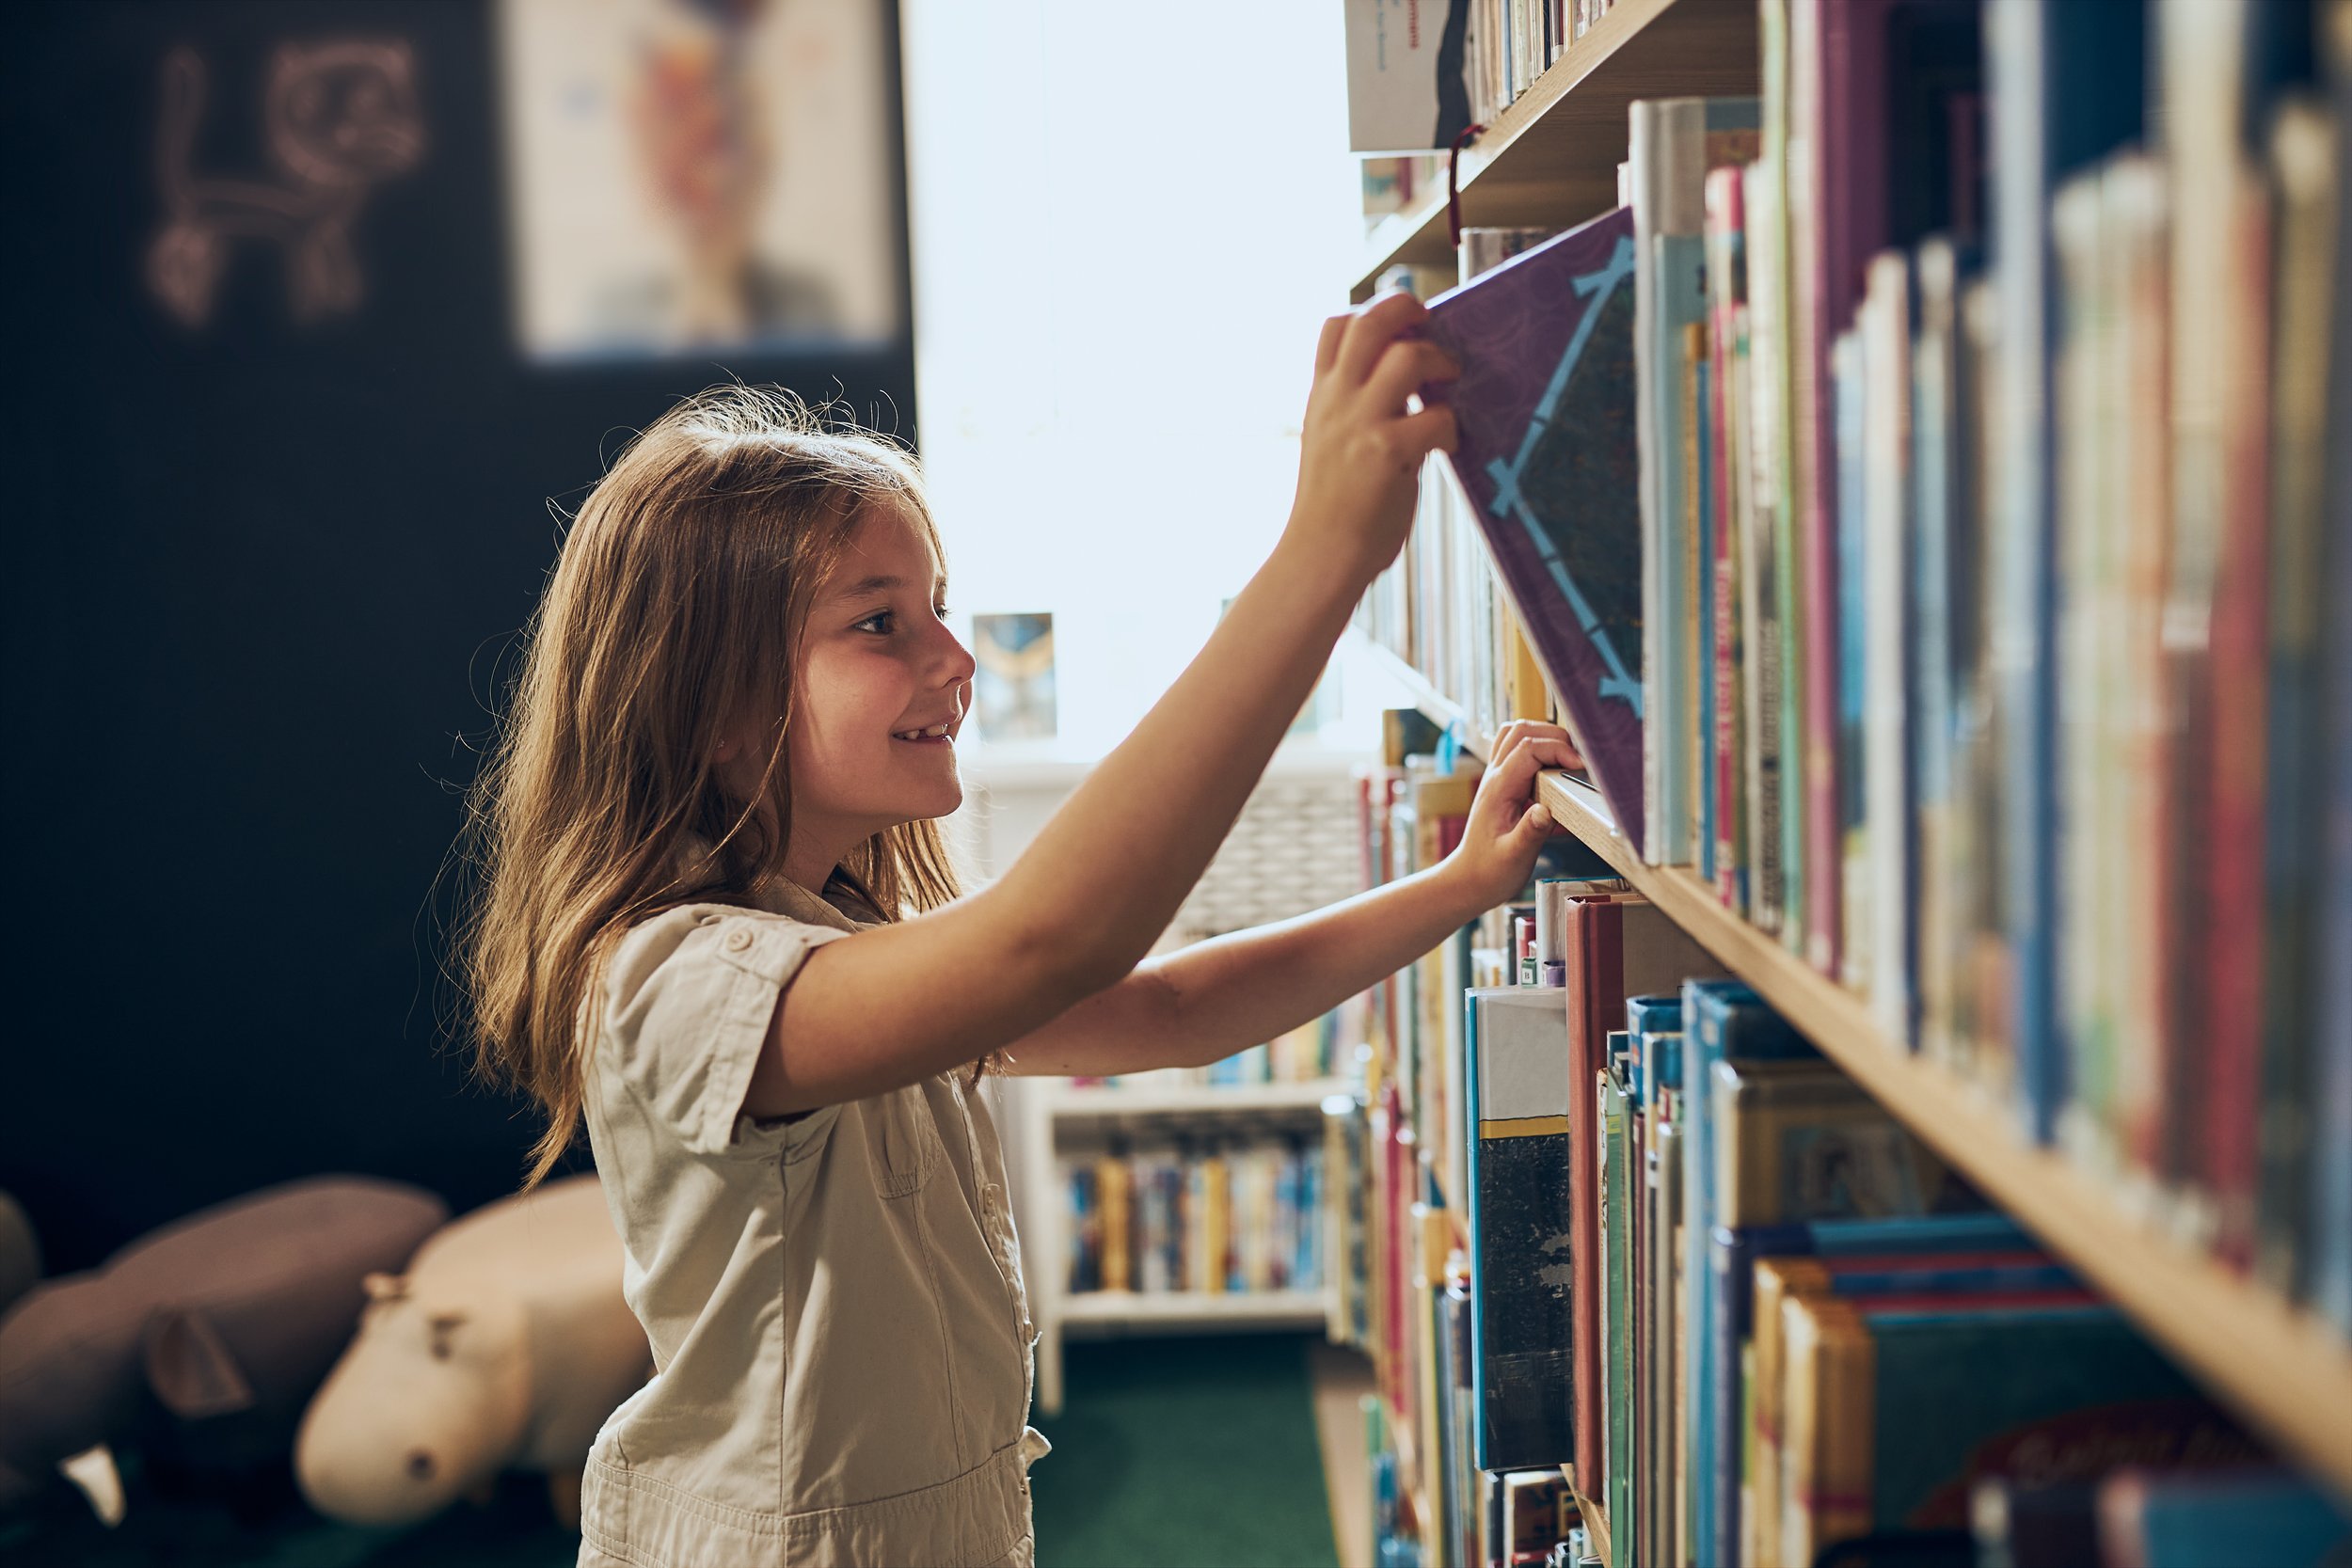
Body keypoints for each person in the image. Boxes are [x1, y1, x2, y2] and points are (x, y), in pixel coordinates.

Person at [459, 291, 1580, 1568]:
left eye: (937, 606)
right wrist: (1321, 555)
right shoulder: (676, 978)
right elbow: (1053, 940)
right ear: (709, 709)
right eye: (880, 623)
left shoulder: (840, 936)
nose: (954, 657)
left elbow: (1168, 1012)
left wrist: (1458, 885)